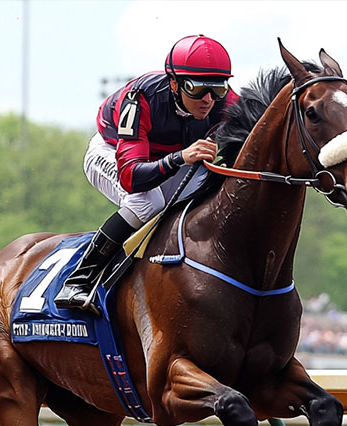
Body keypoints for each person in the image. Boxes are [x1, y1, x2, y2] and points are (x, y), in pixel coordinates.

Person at [55, 35, 239, 312]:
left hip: (175, 157)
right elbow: (132, 177)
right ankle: (80, 280)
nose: (208, 100)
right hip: (114, 153)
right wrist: (180, 158)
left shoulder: (226, 102)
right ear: (174, 83)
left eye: (217, 89)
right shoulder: (141, 98)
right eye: (197, 89)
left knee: (213, 193)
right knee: (146, 202)